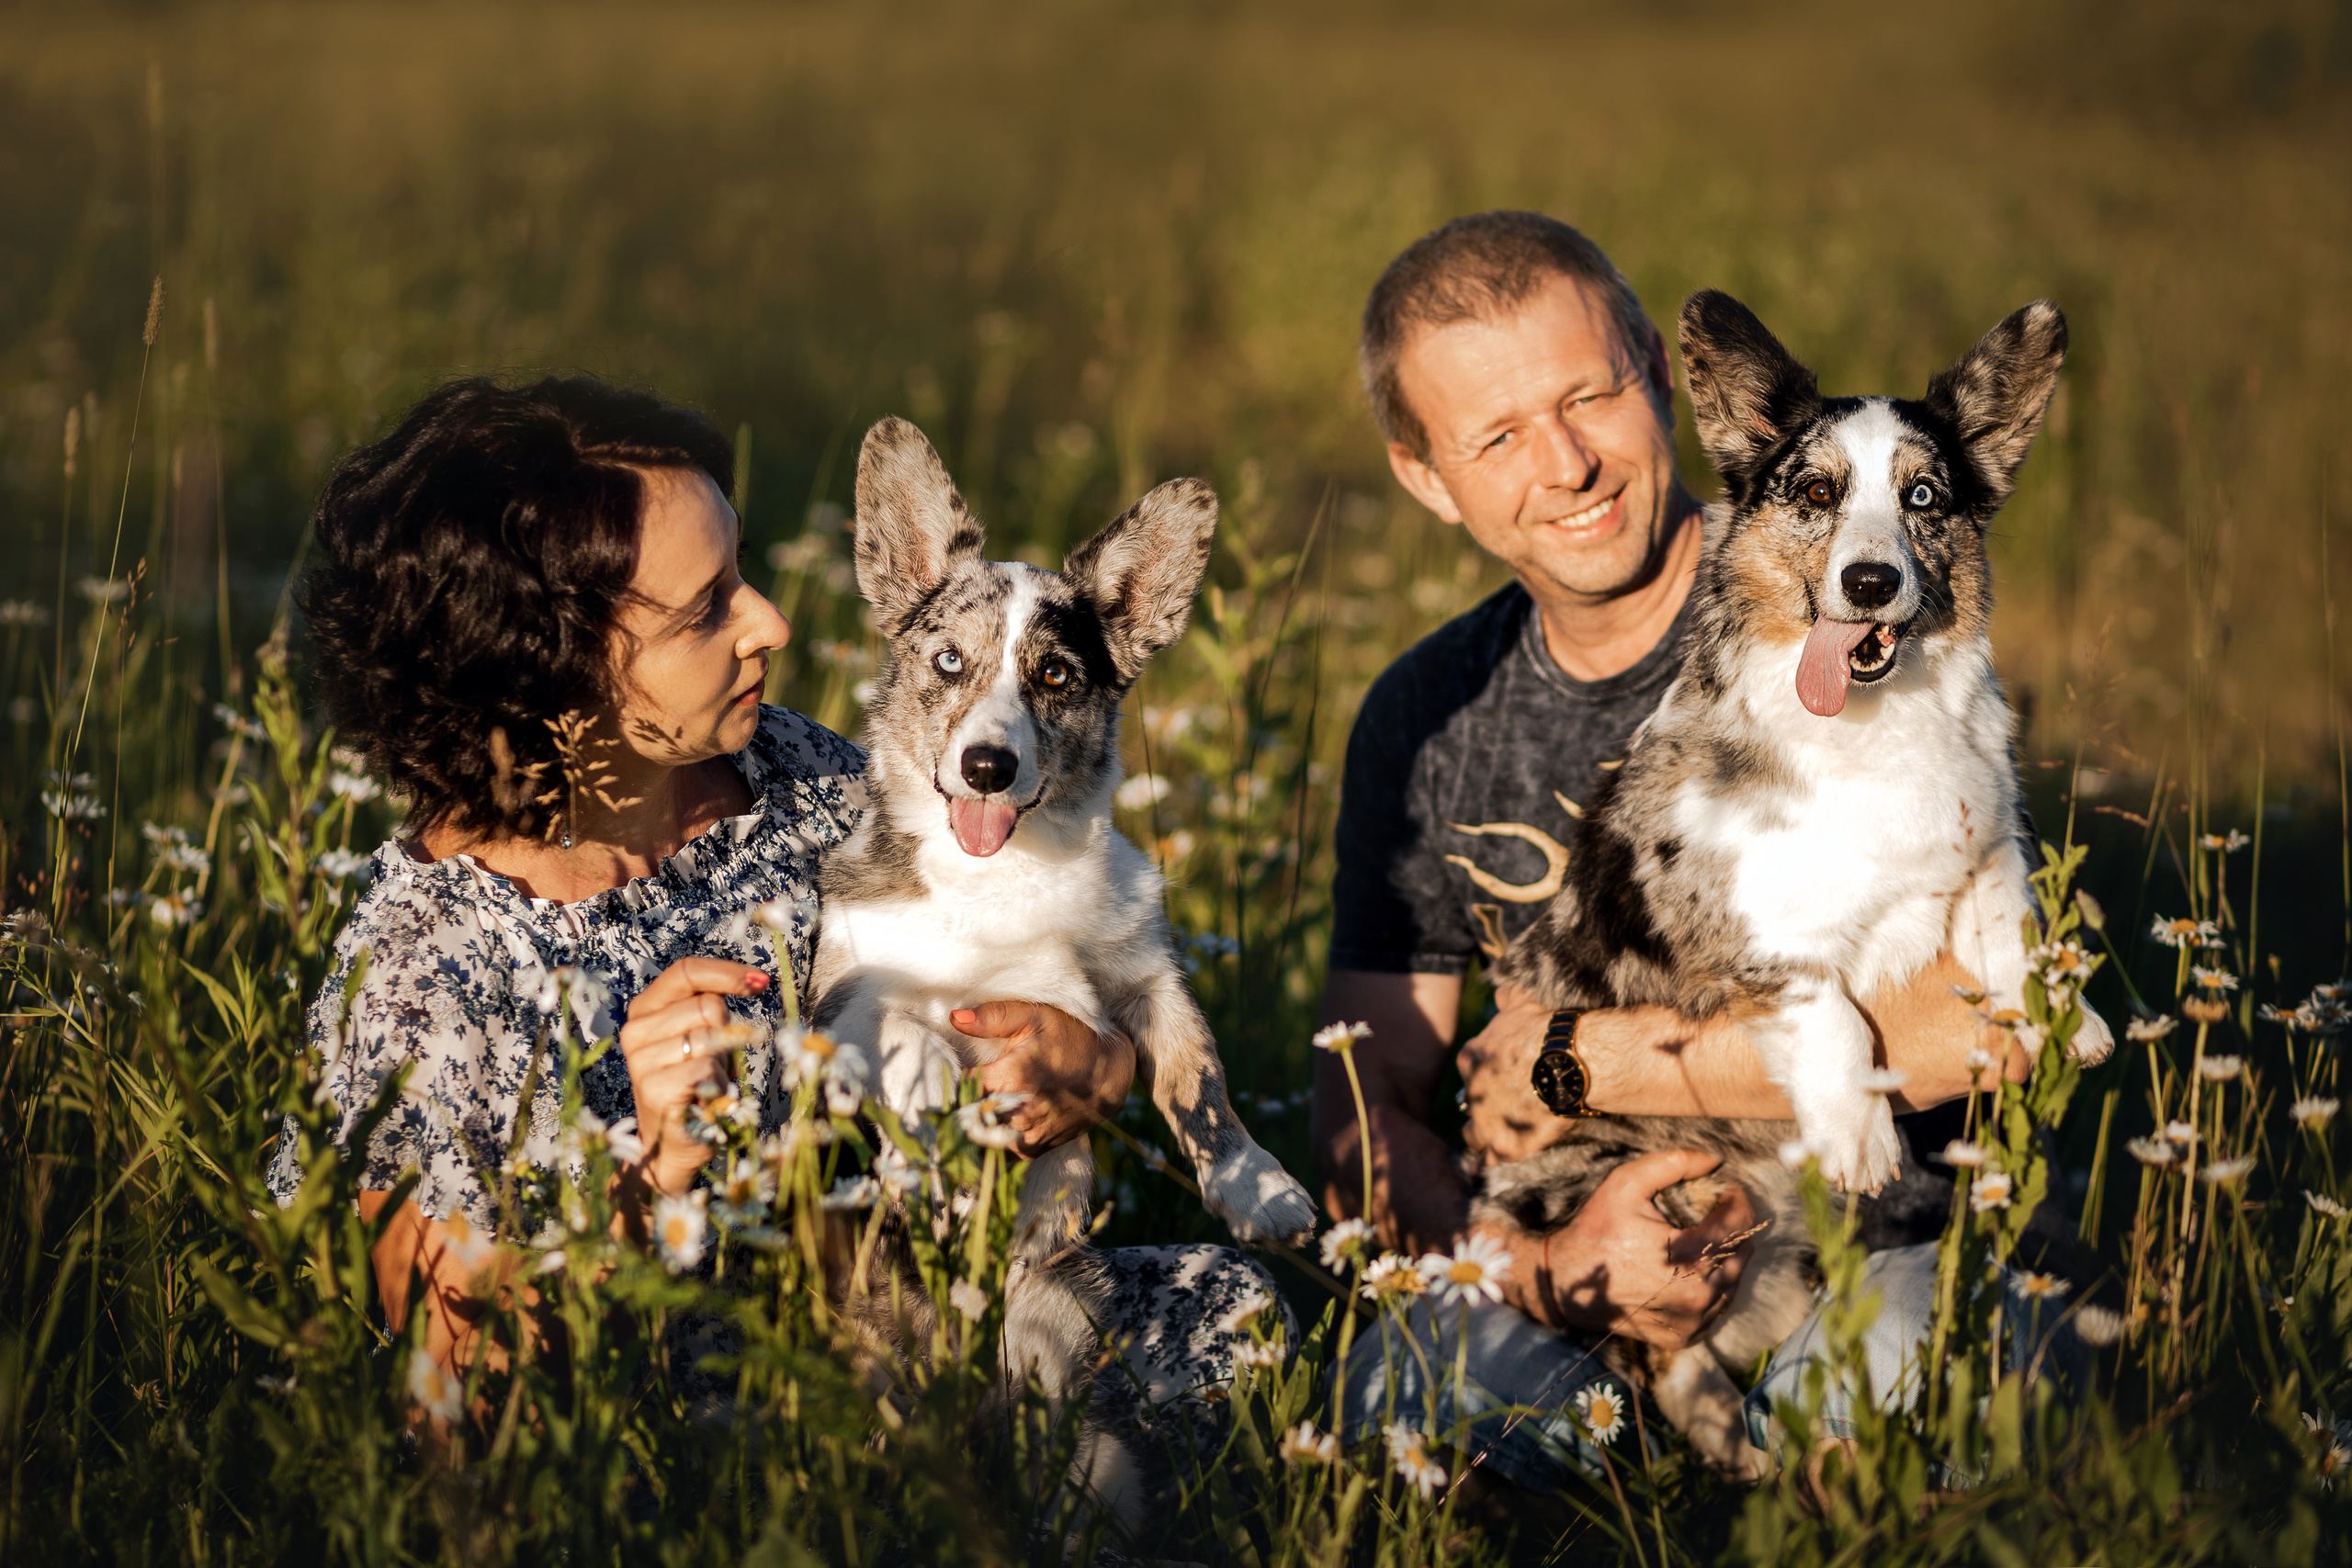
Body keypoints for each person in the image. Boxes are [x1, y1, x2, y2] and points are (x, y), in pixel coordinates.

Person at [268, 376, 1279, 1462]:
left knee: (1230, 1307)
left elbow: (1021, 940)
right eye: (708, 607)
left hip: (926, 1307)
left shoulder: (787, 772)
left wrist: (1103, 1068)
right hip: (700, 1408)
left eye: (741, 575)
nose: (772, 620)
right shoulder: (429, 967)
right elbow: (450, 1381)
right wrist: (654, 1170)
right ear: (548, 661)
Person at [1314, 212, 2029, 1492]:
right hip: (1588, 1229)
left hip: (1889, 1233)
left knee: (1875, 1463)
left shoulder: (1862, 615)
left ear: (1659, 371)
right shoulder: (1425, 717)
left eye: (1587, 392)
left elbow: (1977, 1026)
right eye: (1496, 436)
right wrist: (1546, 1268)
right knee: (1395, 1412)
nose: (1569, 464)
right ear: (1427, 476)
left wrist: (1591, 1056)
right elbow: (1368, 1103)